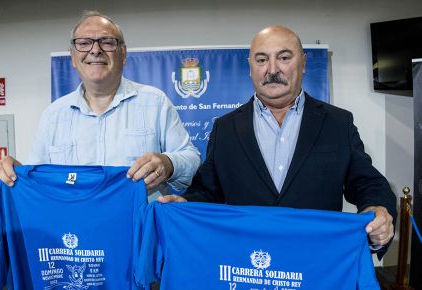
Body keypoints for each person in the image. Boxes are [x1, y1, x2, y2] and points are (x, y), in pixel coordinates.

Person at [159, 25, 397, 258]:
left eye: (283, 57)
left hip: (317, 262)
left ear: (303, 63)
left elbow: (368, 183)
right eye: (261, 60)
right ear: (250, 67)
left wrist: (377, 209)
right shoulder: (226, 127)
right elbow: (207, 191)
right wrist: (185, 204)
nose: (272, 69)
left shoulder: (337, 122)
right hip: (249, 266)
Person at [0, 11, 200, 195]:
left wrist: (168, 163)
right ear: (73, 56)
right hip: (77, 233)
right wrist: (15, 173)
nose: (95, 50)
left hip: (140, 231)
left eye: (107, 42)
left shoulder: (155, 102)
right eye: (84, 43)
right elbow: (39, 179)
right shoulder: (53, 115)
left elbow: (191, 159)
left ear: (123, 54)